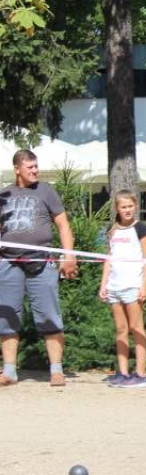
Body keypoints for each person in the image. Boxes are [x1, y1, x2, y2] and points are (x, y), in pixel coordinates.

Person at [0, 149, 78, 387]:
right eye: (29, 167)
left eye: (36, 166)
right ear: (17, 169)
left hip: (41, 262)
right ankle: (10, 371)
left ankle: (56, 370)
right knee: (6, 317)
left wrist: (69, 256)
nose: (35, 171)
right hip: (9, 263)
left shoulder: (46, 191)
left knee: (49, 315)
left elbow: (63, 225)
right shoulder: (4, 194)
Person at [98, 190, 146, 388]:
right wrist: (103, 284)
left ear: (135, 206)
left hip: (133, 285)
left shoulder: (140, 228)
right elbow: (108, 258)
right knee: (121, 329)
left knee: (137, 328)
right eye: (123, 207)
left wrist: (144, 285)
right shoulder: (112, 230)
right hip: (115, 286)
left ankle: (141, 372)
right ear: (117, 209)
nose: (127, 210)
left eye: (130, 206)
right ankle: (122, 372)